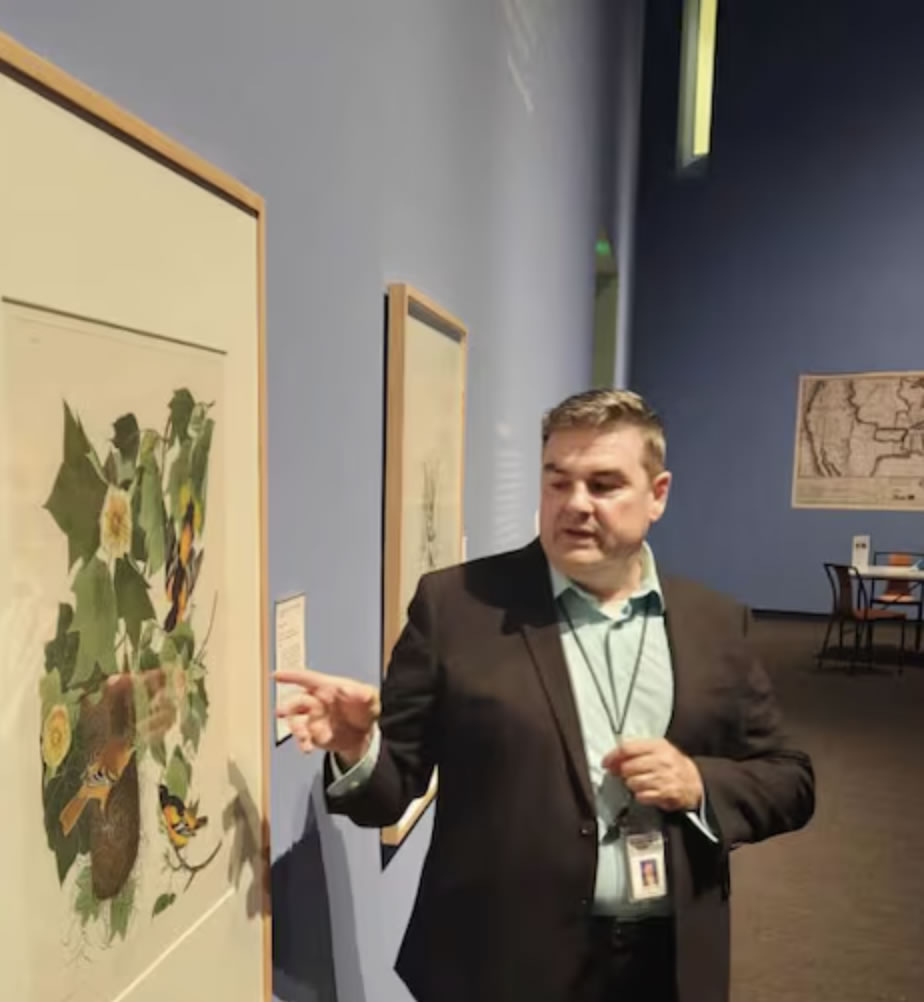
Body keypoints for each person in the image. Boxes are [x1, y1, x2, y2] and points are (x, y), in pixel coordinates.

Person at [275, 389, 814, 1002]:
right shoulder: (456, 607)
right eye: (558, 482)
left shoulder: (715, 623)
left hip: (665, 961)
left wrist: (698, 784)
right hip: (501, 962)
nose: (575, 504)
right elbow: (390, 791)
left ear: (658, 494)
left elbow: (790, 780)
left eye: (604, 485)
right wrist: (358, 746)